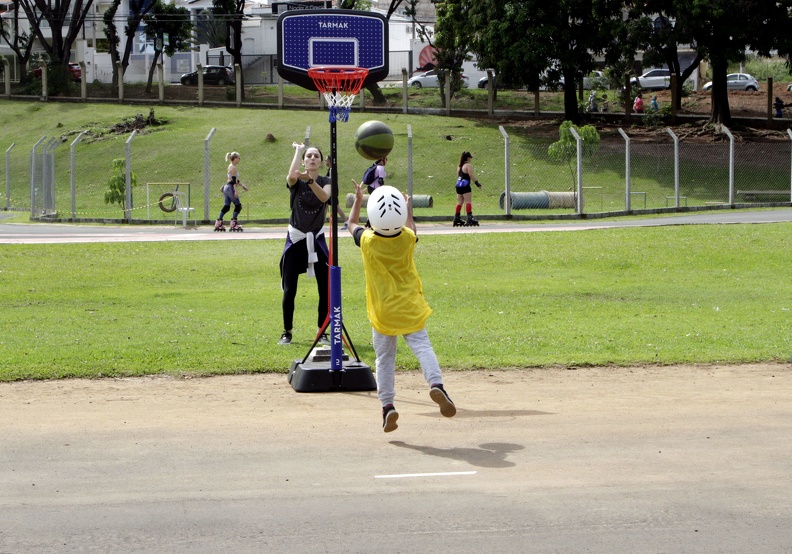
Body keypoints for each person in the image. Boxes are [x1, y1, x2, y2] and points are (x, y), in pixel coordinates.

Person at [347, 183, 456, 433]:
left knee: (385, 359)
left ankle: (387, 406)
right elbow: (411, 228)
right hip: (409, 306)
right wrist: (408, 209)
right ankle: (436, 384)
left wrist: (359, 198)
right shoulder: (407, 238)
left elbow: (351, 224)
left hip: (383, 311)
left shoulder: (368, 241)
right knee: (423, 347)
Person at [278, 143, 332, 346]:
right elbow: (291, 176)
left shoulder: (326, 181)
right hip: (296, 238)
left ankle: (322, 331)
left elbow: (324, 197)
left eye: (316, 156)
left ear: (321, 161)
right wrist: (298, 150)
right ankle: (287, 331)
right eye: (308, 156)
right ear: (303, 161)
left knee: (325, 288)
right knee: (289, 289)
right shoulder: (297, 181)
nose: (312, 159)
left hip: (317, 238)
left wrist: (309, 180)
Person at [214, 152, 249, 231]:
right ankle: (234, 224)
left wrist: (242, 186)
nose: (239, 159)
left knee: (227, 206)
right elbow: (233, 181)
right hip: (230, 188)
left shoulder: (230, 166)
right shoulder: (233, 168)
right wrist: (236, 191)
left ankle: (218, 223)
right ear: (235, 158)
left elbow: (234, 179)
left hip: (227, 187)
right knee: (238, 206)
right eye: (238, 158)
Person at [453, 151, 482, 227]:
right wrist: (477, 183)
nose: (471, 159)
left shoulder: (459, 166)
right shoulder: (468, 165)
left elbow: (458, 175)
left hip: (458, 185)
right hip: (465, 185)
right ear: (468, 158)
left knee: (459, 202)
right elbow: (471, 175)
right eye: (470, 157)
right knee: (468, 201)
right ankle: (469, 217)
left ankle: (456, 217)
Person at [325, 155, 349, 230]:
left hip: (332, 191)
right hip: (331, 190)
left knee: (336, 207)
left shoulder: (332, 170)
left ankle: (346, 222)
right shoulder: (330, 169)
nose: (325, 161)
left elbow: (331, 180)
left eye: (326, 160)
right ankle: (320, 223)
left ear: (329, 161)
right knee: (325, 206)